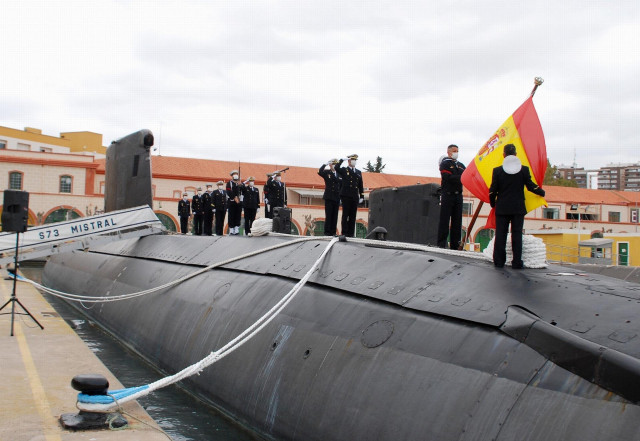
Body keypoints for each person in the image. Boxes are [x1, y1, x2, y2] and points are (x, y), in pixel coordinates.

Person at [489, 143, 545, 269]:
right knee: (517, 234)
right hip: (517, 208)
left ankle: (499, 261)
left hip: (502, 207)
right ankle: (517, 262)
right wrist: (541, 192)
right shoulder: (523, 170)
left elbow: (492, 191)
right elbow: (531, 186)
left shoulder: (497, 171)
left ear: (504, 155)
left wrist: (493, 204)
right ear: (515, 155)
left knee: (500, 235)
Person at [437, 144, 466, 249]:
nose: (456, 153)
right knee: (445, 220)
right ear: (449, 152)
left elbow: (465, 177)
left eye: (457, 151)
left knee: (457, 222)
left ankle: (455, 244)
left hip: (458, 196)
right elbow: (448, 177)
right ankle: (441, 244)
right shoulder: (445, 164)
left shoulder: (461, 165)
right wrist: (460, 177)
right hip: (448, 195)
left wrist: (459, 177)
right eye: (454, 151)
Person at [336, 154, 363, 237]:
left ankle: (351, 233)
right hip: (346, 196)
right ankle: (344, 232)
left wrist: (361, 196)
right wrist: (341, 160)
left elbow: (360, 185)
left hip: (354, 196)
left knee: (353, 215)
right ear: (349, 161)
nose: (354, 161)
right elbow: (337, 168)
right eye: (353, 160)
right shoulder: (344, 170)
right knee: (345, 215)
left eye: (355, 160)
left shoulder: (358, 172)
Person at [318, 158, 341, 236]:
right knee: (329, 215)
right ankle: (327, 232)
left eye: (335, 164)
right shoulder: (327, 172)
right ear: (330, 165)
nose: (334, 166)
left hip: (337, 197)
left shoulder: (339, 174)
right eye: (333, 164)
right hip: (329, 197)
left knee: (335, 216)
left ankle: (333, 232)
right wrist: (325, 164)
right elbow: (319, 171)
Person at [226, 170, 242, 235]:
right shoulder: (229, 183)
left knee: (238, 215)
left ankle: (236, 228)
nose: (235, 175)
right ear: (232, 176)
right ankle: (231, 228)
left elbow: (242, 191)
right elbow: (229, 191)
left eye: (236, 174)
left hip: (239, 202)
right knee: (231, 215)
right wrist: (234, 197)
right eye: (234, 174)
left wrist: (240, 185)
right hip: (232, 201)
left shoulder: (239, 183)